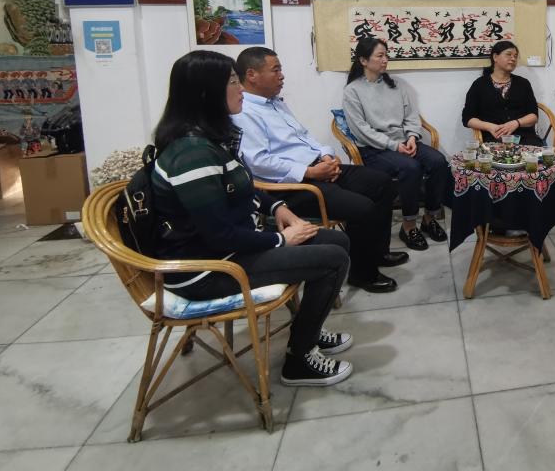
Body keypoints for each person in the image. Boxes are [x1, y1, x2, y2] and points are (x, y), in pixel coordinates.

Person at [150, 51, 354, 386]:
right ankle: (299, 361)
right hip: (207, 269)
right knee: (332, 259)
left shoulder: (210, 140)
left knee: (336, 239)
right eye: (233, 82)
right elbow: (220, 235)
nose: (241, 89)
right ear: (207, 94)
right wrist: (280, 239)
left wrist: (279, 209)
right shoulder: (192, 155)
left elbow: (244, 187)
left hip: (227, 250)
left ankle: (309, 330)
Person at [232, 47, 406, 294]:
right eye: (276, 70)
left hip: (318, 168)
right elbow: (259, 162)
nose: (282, 76)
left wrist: (326, 155)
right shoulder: (245, 112)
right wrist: (309, 172)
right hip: (291, 186)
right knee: (363, 208)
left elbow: (305, 137)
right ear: (252, 74)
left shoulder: (276, 104)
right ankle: (362, 274)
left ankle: (378, 253)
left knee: (382, 183)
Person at [343, 37, 449, 252]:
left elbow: (411, 116)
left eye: (386, 55)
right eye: (380, 56)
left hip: (404, 142)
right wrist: (393, 145)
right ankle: (408, 226)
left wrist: (412, 137)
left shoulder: (396, 85)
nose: (385, 60)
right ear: (363, 60)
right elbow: (361, 129)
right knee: (411, 168)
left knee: (439, 162)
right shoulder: (352, 91)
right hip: (374, 149)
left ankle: (429, 218)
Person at [462, 40, 543, 146]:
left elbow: (533, 116)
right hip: (494, 138)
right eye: (508, 54)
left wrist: (516, 123)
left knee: (537, 154)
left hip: (524, 138)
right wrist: (490, 127)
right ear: (495, 57)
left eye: (515, 56)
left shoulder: (523, 83)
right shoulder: (480, 84)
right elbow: (467, 118)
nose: (513, 58)